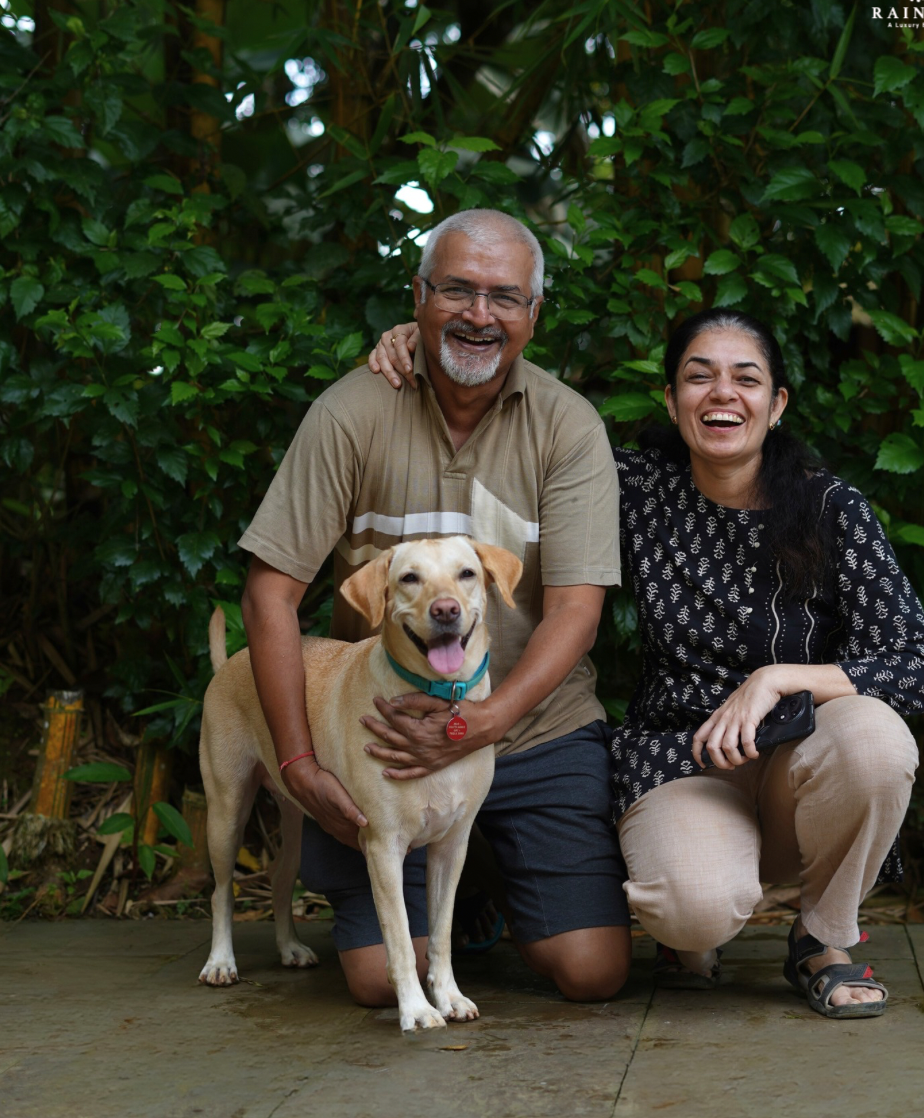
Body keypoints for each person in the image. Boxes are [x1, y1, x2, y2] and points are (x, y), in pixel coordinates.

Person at [371, 306, 924, 1019]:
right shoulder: (635, 488)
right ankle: (692, 928)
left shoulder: (831, 508)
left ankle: (823, 937)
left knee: (877, 740)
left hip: (805, 760)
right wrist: (436, 347)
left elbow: (911, 664)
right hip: (681, 756)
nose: (723, 393)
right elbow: (528, 429)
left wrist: (777, 679)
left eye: (747, 379)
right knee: (694, 910)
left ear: (777, 404)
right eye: (699, 377)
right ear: (672, 401)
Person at [238, 208, 631, 1008]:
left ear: (534, 314)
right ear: (417, 297)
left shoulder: (567, 426)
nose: (480, 314)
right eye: (456, 290)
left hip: (533, 725)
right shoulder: (351, 413)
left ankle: (487, 877)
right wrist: (299, 763)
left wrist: (484, 722)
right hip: (382, 730)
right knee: (382, 982)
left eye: (504, 297)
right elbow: (269, 593)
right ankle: (450, 892)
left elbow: (576, 613)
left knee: (592, 971)